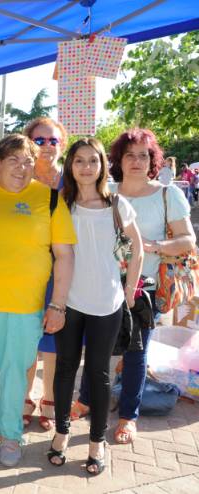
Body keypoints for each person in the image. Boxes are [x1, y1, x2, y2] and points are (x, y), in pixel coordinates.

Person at [0, 134, 76, 467]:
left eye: (28, 162)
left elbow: (65, 256)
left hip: (23, 307)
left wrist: (58, 304)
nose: (22, 168)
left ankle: (10, 435)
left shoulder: (50, 199)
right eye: (14, 161)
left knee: (14, 374)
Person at [73, 129, 194, 445]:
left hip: (143, 287)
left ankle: (128, 416)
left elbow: (187, 241)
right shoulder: (106, 190)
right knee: (96, 347)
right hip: (100, 284)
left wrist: (150, 246)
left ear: (153, 160)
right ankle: (85, 399)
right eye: (130, 155)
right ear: (118, 159)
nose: (137, 161)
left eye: (143, 155)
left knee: (136, 353)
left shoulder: (168, 194)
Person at [48, 138, 143, 475]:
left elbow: (135, 249)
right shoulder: (61, 203)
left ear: (103, 165)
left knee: (98, 372)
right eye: (79, 161)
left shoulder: (116, 204)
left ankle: (96, 442)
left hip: (107, 303)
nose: (86, 167)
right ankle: (61, 433)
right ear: (70, 166)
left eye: (93, 160)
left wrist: (129, 289)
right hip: (69, 301)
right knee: (65, 368)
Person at [21, 116, 68, 431]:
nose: (47, 146)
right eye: (39, 140)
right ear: (29, 144)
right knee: (26, 338)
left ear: (61, 145)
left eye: (53, 140)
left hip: (61, 270)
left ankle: (49, 396)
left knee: (54, 338)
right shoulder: (20, 180)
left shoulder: (72, 181)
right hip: (25, 270)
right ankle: (23, 396)